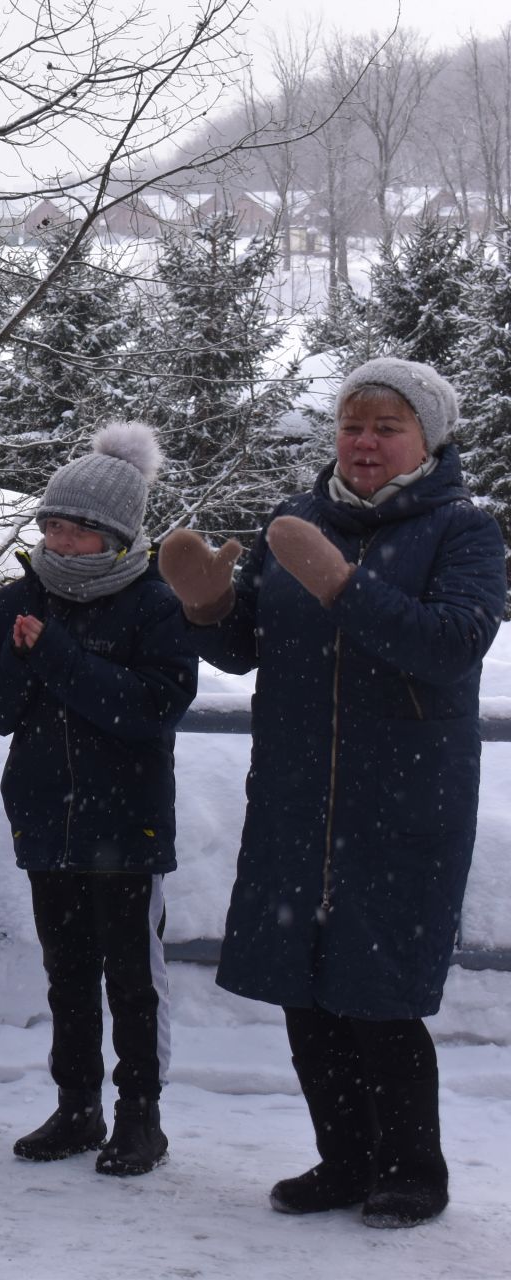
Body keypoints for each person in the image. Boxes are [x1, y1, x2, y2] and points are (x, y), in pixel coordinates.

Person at [158, 357, 504, 1228]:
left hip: (404, 799)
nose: (366, 442)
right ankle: (343, 1161)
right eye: (354, 425)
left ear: (428, 439)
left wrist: (346, 586)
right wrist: (209, 609)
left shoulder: (464, 531)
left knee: (378, 992)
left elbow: (451, 644)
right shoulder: (298, 521)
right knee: (306, 989)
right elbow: (250, 649)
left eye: (388, 428)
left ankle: (413, 1171)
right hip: (298, 792)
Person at [0, 424, 197, 1176]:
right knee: (67, 976)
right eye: (50, 525)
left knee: (131, 977)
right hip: (44, 819)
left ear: (117, 535)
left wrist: (54, 657)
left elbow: (153, 707)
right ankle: (77, 1108)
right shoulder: (19, 601)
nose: (57, 540)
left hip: (128, 824)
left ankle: (141, 1117)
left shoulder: (156, 604)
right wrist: (28, 663)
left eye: (76, 530)